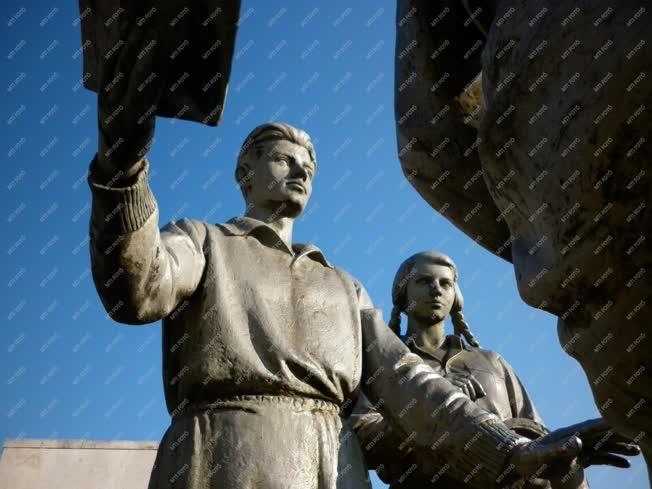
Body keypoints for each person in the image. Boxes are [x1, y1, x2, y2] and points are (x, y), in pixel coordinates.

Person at [86, 42, 638, 487]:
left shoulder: (342, 286)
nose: (300, 172)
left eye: (308, 166)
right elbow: (136, 288)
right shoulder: (203, 241)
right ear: (245, 173)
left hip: (334, 463)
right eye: (283, 160)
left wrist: (512, 448)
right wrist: (122, 165)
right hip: (227, 453)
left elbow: (412, 385)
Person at [351, 252, 592, 488]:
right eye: (424, 281)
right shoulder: (381, 364)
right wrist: (435, 409)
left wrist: (572, 448)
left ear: (456, 296)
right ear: (402, 294)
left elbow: (538, 434)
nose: (436, 290)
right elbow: (365, 438)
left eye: (445, 283)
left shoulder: (492, 362)